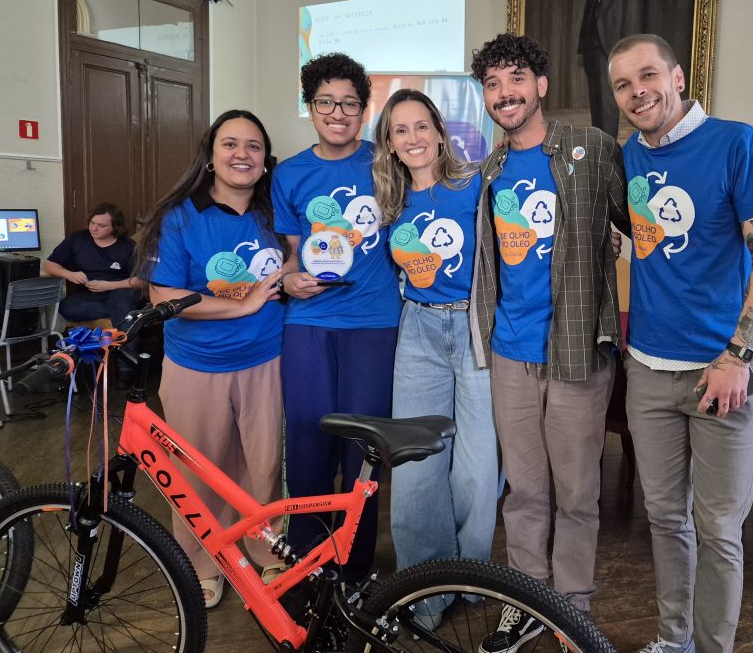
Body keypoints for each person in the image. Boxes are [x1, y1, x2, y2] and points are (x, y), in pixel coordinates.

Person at [607, 33, 753, 653]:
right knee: (664, 520)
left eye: (648, 75)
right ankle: (672, 639)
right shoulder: (630, 156)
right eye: (624, 85)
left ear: (678, 77)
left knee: (718, 529)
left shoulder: (737, 143)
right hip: (649, 372)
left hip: (722, 374)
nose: (638, 92)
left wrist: (738, 357)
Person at [469, 33, 629, 651]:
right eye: (492, 84)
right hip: (511, 352)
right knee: (526, 490)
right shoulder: (489, 172)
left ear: (540, 85)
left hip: (576, 351)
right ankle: (527, 600)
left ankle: (573, 610)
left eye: (515, 79)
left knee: (578, 491)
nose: (504, 94)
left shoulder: (592, 148)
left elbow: (635, 223)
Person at [133, 109, 286, 610]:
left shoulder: (274, 211)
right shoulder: (180, 215)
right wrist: (242, 303)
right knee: (199, 472)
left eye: (253, 146)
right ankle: (202, 565)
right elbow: (163, 295)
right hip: (196, 366)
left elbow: (300, 258)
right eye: (230, 144)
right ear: (211, 155)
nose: (242, 154)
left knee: (262, 468)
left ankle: (265, 551)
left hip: (266, 358)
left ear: (265, 161)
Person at [372, 88, 499, 630]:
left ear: (440, 131)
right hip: (418, 330)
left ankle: (467, 575)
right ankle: (425, 591)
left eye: (421, 126)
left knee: (475, 465)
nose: (413, 138)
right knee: (418, 462)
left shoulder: (473, 185)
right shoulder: (390, 201)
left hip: (473, 326)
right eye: (401, 130)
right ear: (391, 145)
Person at [271, 52, 401, 581]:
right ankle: (307, 560)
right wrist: (289, 279)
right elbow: (294, 254)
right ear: (310, 107)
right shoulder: (289, 174)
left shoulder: (385, 162)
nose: (338, 112)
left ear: (363, 110)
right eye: (326, 101)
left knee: (362, 447)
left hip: (374, 322)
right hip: (308, 324)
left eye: (350, 103)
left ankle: (354, 568)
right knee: (306, 439)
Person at [44, 203, 143, 386]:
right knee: (68, 307)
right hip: (89, 297)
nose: (94, 228)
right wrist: (70, 274)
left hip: (119, 291)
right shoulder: (77, 239)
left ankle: (126, 369)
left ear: (115, 227)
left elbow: (141, 280)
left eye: (101, 225)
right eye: (92, 223)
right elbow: (49, 266)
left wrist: (110, 285)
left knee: (122, 304)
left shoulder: (128, 246)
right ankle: (123, 315)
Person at [577, 0, 641, 139]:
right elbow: (587, 20)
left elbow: (631, 22)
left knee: (608, 105)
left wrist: (625, 55)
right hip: (592, 53)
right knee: (596, 103)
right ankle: (597, 144)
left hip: (612, 53)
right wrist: (582, 50)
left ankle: (607, 147)